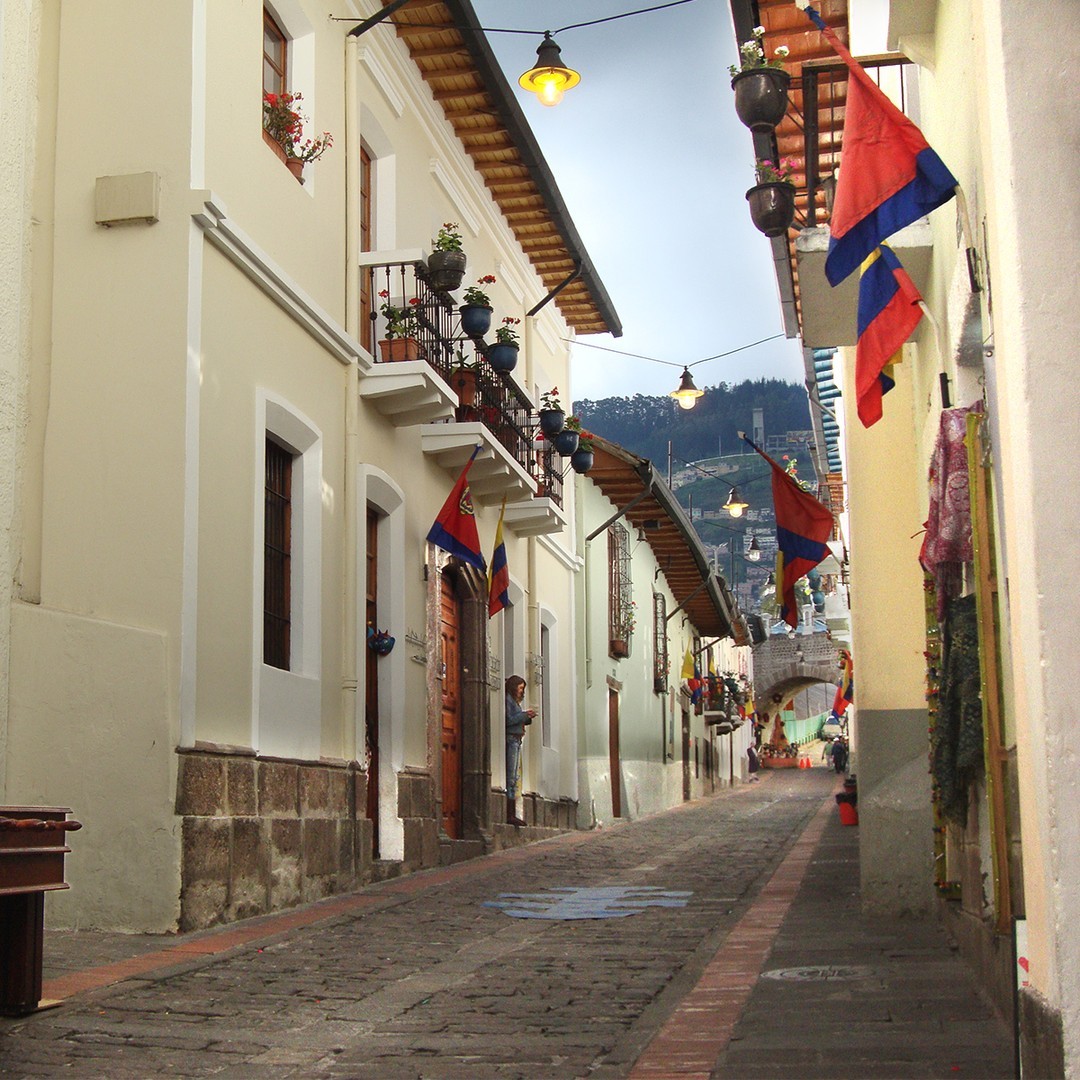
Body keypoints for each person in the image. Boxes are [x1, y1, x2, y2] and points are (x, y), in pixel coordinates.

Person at [505, 675, 535, 827]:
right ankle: (509, 814)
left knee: (515, 776)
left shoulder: (514, 702)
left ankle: (512, 813)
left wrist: (526, 718)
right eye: (520, 688)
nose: (521, 692)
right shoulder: (508, 701)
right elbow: (508, 720)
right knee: (511, 776)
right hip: (511, 740)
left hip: (516, 740)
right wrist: (524, 715)